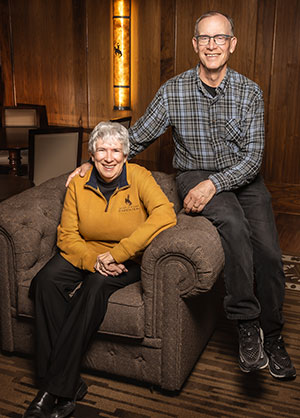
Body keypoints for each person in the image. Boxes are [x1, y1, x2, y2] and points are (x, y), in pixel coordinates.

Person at [67, 12, 296, 381]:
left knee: (269, 253)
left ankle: (273, 335)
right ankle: (247, 324)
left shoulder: (250, 91)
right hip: (194, 173)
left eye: (219, 38)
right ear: (194, 45)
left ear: (232, 44)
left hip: (243, 177)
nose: (211, 45)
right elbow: (136, 137)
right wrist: (92, 161)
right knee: (234, 226)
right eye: (205, 38)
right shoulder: (173, 91)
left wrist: (217, 184)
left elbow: (253, 159)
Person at [23, 121, 176, 418]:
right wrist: (92, 261)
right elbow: (67, 236)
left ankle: (51, 389)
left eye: (116, 150)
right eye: (102, 150)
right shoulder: (78, 183)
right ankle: (68, 384)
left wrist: (119, 252)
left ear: (125, 154)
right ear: (92, 155)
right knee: (45, 282)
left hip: (126, 256)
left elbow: (165, 214)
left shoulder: (139, 177)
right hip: (85, 252)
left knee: (95, 286)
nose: (109, 157)